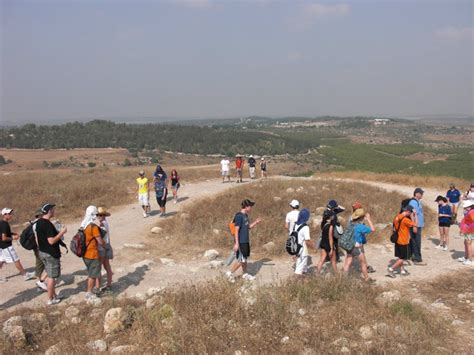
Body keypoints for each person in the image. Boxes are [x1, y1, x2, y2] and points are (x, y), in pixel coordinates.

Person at [35, 203, 67, 305]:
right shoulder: (47, 224)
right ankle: (50, 299)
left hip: (43, 252)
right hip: (50, 253)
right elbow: (51, 241)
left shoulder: (39, 222)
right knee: (51, 277)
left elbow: (37, 238)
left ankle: (54, 295)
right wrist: (62, 232)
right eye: (53, 209)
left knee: (49, 274)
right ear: (49, 211)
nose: (54, 211)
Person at [226, 199, 262, 280]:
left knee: (244, 258)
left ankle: (245, 274)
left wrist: (256, 222)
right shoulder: (239, 216)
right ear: (246, 207)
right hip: (241, 242)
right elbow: (236, 230)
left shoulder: (245, 216)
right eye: (250, 206)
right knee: (241, 260)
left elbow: (248, 227)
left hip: (245, 241)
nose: (251, 208)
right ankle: (229, 273)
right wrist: (236, 244)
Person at [0, 208, 35, 283]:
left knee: (1, 261)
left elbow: (3, 234)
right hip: (6, 246)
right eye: (9, 214)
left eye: (11, 213)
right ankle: (25, 275)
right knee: (16, 260)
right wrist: (13, 237)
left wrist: (12, 234)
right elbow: (4, 238)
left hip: (2, 247)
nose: (11, 215)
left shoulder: (2, 223)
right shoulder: (4, 224)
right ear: (4, 215)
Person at [342, 208, 375, 282]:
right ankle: (366, 279)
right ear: (362, 217)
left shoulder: (350, 224)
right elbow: (373, 229)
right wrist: (369, 219)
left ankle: (343, 279)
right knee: (363, 263)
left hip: (349, 245)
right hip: (356, 247)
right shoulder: (360, 226)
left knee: (348, 262)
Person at [81, 205, 105, 300]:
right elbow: (99, 241)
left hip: (85, 254)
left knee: (90, 272)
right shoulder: (93, 227)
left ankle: (90, 290)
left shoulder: (83, 225)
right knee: (93, 275)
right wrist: (104, 244)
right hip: (92, 253)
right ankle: (89, 293)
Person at [387, 205, 416, 278]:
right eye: (410, 212)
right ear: (408, 211)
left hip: (397, 240)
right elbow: (416, 224)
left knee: (400, 257)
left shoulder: (397, 217)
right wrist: (415, 216)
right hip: (403, 241)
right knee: (403, 258)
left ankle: (402, 271)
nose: (410, 214)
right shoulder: (406, 220)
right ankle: (391, 269)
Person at [96, 207, 113, 292]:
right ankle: (109, 285)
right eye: (98, 215)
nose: (99, 216)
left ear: (104, 216)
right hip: (106, 246)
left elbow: (99, 238)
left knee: (98, 268)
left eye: (101, 215)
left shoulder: (102, 224)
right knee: (107, 267)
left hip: (102, 248)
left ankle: (98, 287)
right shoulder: (105, 223)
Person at [293, 208, 314, 277]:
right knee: (298, 271)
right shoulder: (305, 227)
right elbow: (307, 240)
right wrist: (314, 247)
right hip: (302, 250)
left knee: (303, 268)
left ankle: (304, 282)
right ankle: (293, 284)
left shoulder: (295, 224)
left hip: (296, 247)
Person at [316, 210, 338, 274]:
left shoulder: (324, 224)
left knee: (322, 259)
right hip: (329, 245)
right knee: (333, 261)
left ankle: (317, 273)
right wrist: (331, 248)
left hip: (323, 244)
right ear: (330, 217)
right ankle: (337, 275)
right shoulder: (330, 226)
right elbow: (330, 238)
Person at [409, 187, 425, 265]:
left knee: (415, 241)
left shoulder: (418, 201)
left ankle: (413, 256)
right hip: (416, 225)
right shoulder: (413, 202)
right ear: (416, 194)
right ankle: (417, 259)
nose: (422, 195)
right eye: (421, 193)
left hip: (418, 225)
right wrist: (414, 225)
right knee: (416, 242)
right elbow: (412, 214)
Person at [458, 200, 474, 265]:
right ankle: (467, 257)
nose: (465, 208)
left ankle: (470, 259)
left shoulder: (471, 212)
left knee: (469, 244)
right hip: (468, 230)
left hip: (469, 230)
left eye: (466, 207)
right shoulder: (470, 212)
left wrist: (466, 229)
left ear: (470, 206)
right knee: (466, 243)